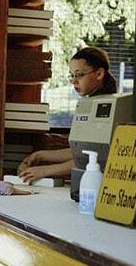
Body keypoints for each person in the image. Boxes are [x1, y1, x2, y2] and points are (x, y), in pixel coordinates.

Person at [17, 46, 118, 184]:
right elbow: (82, 152)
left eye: (79, 75)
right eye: (72, 75)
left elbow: (95, 157)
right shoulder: (90, 103)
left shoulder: (107, 106)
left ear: (99, 74)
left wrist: (44, 171)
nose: (74, 81)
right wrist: (40, 155)